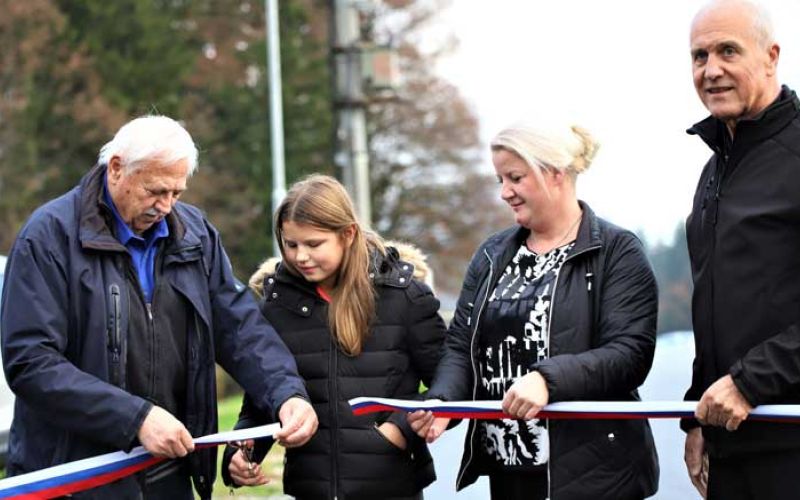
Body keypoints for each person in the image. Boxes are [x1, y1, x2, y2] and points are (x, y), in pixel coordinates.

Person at [0, 115, 317, 499]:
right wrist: (136, 419)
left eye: (177, 193)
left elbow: (239, 328)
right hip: (74, 479)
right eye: (156, 190)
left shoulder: (196, 235)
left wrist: (286, 393)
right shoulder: (47, 238)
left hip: (166, 474)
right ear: (116, 168)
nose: (166, 206)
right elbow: (32, 362)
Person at [408, 123, 660, 500]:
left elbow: (629, 354)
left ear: (555, 173)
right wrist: (443, 401)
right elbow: (462, 347)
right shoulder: (491, 255)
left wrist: (547, 381)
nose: (504, 192)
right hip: (510, 473)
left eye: (515, 178)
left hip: (596, 477)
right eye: (500, 179)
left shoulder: (618, 251)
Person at [220, 175, 446, 499]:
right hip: (310, 490)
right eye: (290, 244)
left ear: (347, 234)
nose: (300, 256)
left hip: (392, 487)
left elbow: (450, 383)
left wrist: (398, 430)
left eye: (313, 244)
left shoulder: (404, 297)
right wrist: (239, 455)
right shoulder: (274, 308)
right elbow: (261, 403)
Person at [682, 1, 800, 498]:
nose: (712, 70)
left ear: (771, 55)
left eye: (728, 51)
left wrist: (750, 381)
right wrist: (694, 417)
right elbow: (715, 304)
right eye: (699, 55)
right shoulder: (713, 172)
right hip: (730, 445)